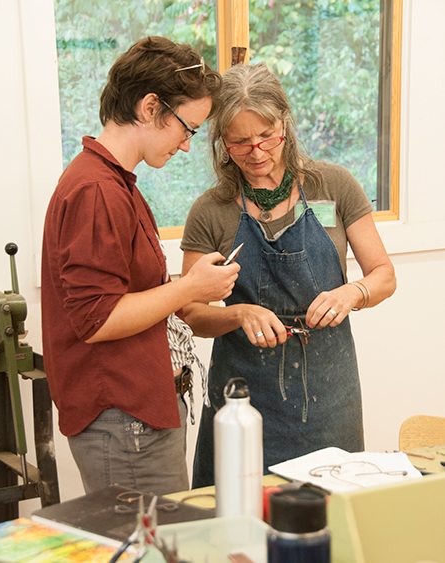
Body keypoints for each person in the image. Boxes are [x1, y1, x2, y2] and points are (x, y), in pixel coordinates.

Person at [180, 63, 396, 488]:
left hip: (329, 392)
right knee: (236, 517)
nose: (257, 153)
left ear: (285, 124)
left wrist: (353, 293)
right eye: (241, 143)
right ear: (221, 141)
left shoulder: (333, 185)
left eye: (267, 137)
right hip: (243, 395)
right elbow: (190, 309)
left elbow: (384, 275)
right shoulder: (212, 210)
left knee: (331, 515)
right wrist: (239, 313)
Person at [41, 36, 240, 496]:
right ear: (151, 107)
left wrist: (190, 284)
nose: (188, 146)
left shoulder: (116, 184)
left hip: (139, 410)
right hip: (123, 417)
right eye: (187, 129)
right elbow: (96, 318)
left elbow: (124, 292)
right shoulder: (96, 190)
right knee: (149, 547)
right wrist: (189, 288)